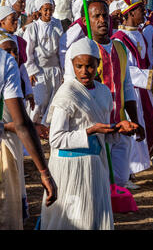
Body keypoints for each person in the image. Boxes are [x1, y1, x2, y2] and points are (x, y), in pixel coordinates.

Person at [40, 37, 138, 230]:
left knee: (93, 217)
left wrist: (118, 128)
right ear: (72, 66)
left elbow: (103, 132)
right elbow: (56, 138)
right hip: (70, 167)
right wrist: (91, 130)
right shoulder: (67, 93)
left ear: (98, 65)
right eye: (79, 66)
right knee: (72, 219)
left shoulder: (103, 92)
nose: (84, 71)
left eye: (90, 66)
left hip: (95, 165)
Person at [64, 0, 145, 188]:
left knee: (120, 180)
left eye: (104, 15)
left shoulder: (120, 47)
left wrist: (135, 119)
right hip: (95, 127)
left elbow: (127, 86)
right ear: (86, 21)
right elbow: (71, 91)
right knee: (96, 183)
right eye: (96, 16)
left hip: (120, 124)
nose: (102, 20)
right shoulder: (79, 51)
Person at [0, 37, 57, 229]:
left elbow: (22, 124)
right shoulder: (4, 61)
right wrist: (44, 173)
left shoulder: (6, 62)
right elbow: (22, 124)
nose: (14, 56)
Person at [112, 0, 153, 188]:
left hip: (144, 90)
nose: (144, 13)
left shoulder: (139, 34)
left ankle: (131, 171)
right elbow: (124, 70)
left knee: (145, 128)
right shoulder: (119, 39)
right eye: (141, 9)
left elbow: (143, 61)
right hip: (131, 90)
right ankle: (127, 173)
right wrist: (149, 75)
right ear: (130, 12)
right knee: (131, 129)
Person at [23, 0, 63, 124]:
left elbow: (62, 49)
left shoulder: (57, 24)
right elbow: (27, 51)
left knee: (53, 102)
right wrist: (30, 71)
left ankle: (47, 129)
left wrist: (63, 70)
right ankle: (32, 128)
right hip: (39, 70)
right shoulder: (33, 28)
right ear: (39, 10)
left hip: (55, 69)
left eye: (50, 10)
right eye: (45, 10)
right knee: (38, 102)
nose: (48, 13)